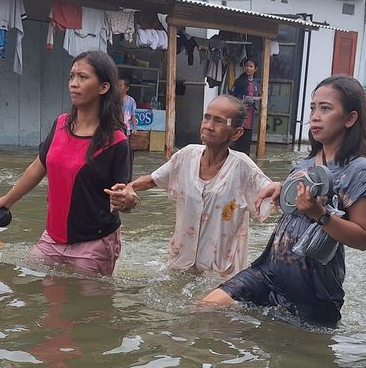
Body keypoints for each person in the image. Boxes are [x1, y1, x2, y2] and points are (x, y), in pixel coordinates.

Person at [200, 76, 366, 327]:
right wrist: (281, 188)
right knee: (204, 309)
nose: (315, 116)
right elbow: (297, 207)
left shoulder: (360, 171)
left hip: (313, 290)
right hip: (269, 271)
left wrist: (321, 215)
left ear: (350, 118)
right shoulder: (306, 162)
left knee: (292, 359)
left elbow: (363, 238)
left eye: (325, 109)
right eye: (313, 108)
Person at [0, 51, 131, 276]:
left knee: (88, 308)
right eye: (71, 76)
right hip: (52, 238)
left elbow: (125, 195)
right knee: (35, 291)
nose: (73, 84)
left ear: (103, 87)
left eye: (82, 77)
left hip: (94, 242)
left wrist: (126, 200)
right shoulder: (61, 124)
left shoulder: (116, 141)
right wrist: (6, 201)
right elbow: (37, 167)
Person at [105, 95, 274, 278]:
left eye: (219, 121)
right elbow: (154, 179)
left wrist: (281, 188)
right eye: (207, 117)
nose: (208, 126)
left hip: (221, 274)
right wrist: (129, 189)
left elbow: (273, 194)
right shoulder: (186, 156)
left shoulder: (243, 168)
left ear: (236, 133)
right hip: (180, 265)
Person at [230, 59, 260, 155]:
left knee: (245, 148)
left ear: (256, 69)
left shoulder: (256, 83)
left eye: (251, 66)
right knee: (234, 145)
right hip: (239, 118)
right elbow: (233, 97)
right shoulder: (239, 81)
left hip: (249, 120)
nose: (248, 68)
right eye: (246, 66)